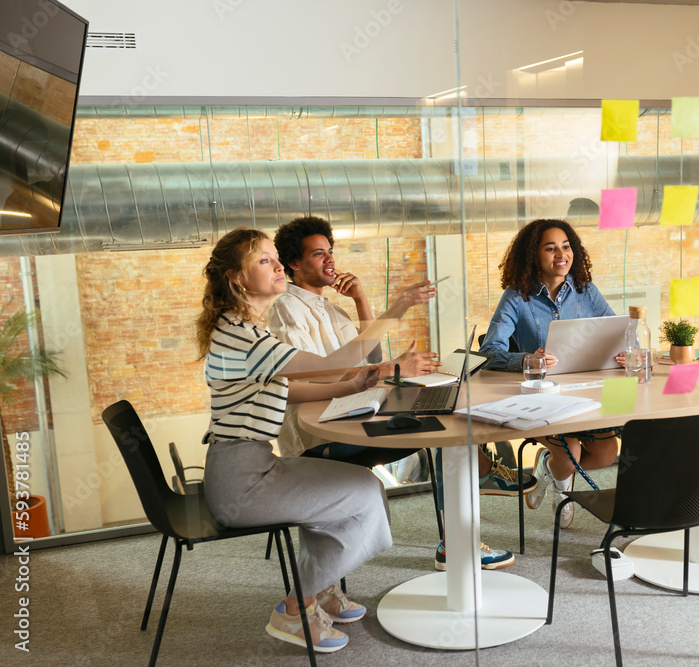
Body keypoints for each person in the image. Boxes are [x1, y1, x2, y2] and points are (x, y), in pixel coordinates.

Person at [196, 228, 430, 653]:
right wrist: (397, 306)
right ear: (236, 277)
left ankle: (317, 590)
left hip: (249, 466)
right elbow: (335, 361)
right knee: (363, 495)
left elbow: (287, 389)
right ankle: (294, 608)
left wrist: (350, 386)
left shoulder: (242, 329)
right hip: (243, 482)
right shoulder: (244, 337)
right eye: (264, 260)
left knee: (359, 488)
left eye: (274, 258)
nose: (277, 265)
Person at [269, 216, 531, 571]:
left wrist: (361, 298)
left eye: (331, 251)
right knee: (445, 429)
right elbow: (320, 376)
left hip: (355, 414)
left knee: (447, 409)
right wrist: (395, 366)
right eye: (319, 254)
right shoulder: (287, 311)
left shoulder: (329, 307)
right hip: (320, 436)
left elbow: (371, 357)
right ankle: (464, 521)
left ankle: (469, 505)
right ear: (294, 264)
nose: (330, 260)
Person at [480, 218, 620, 529]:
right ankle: (563, 490)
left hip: (585, 393)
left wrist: (625, 349)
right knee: (569, 450)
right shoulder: (516, 296)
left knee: (607, 452)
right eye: (551, 248)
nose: (561, 254)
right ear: (534, 255)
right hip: (541, 399)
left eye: (566, 246)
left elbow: (616, 331)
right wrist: (526, 359)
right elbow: (489, 351)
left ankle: (547, 465)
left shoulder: (587, 291)